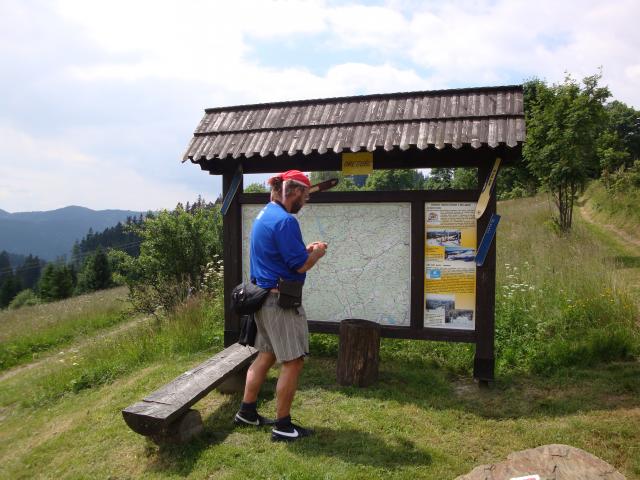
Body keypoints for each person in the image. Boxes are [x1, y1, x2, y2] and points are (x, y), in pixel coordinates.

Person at [234, 169, 327, 442]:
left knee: (266, 355)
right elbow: (299, 265)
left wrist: (304, 251)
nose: (305, 201)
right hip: (280, 303)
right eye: (305, 196)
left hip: (262, 300)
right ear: (294, 191)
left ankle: (247, 412)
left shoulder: (264, 215)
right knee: (293, 361)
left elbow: (281, 255)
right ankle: (283, 426)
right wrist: (317, 253)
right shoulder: (286, 221)